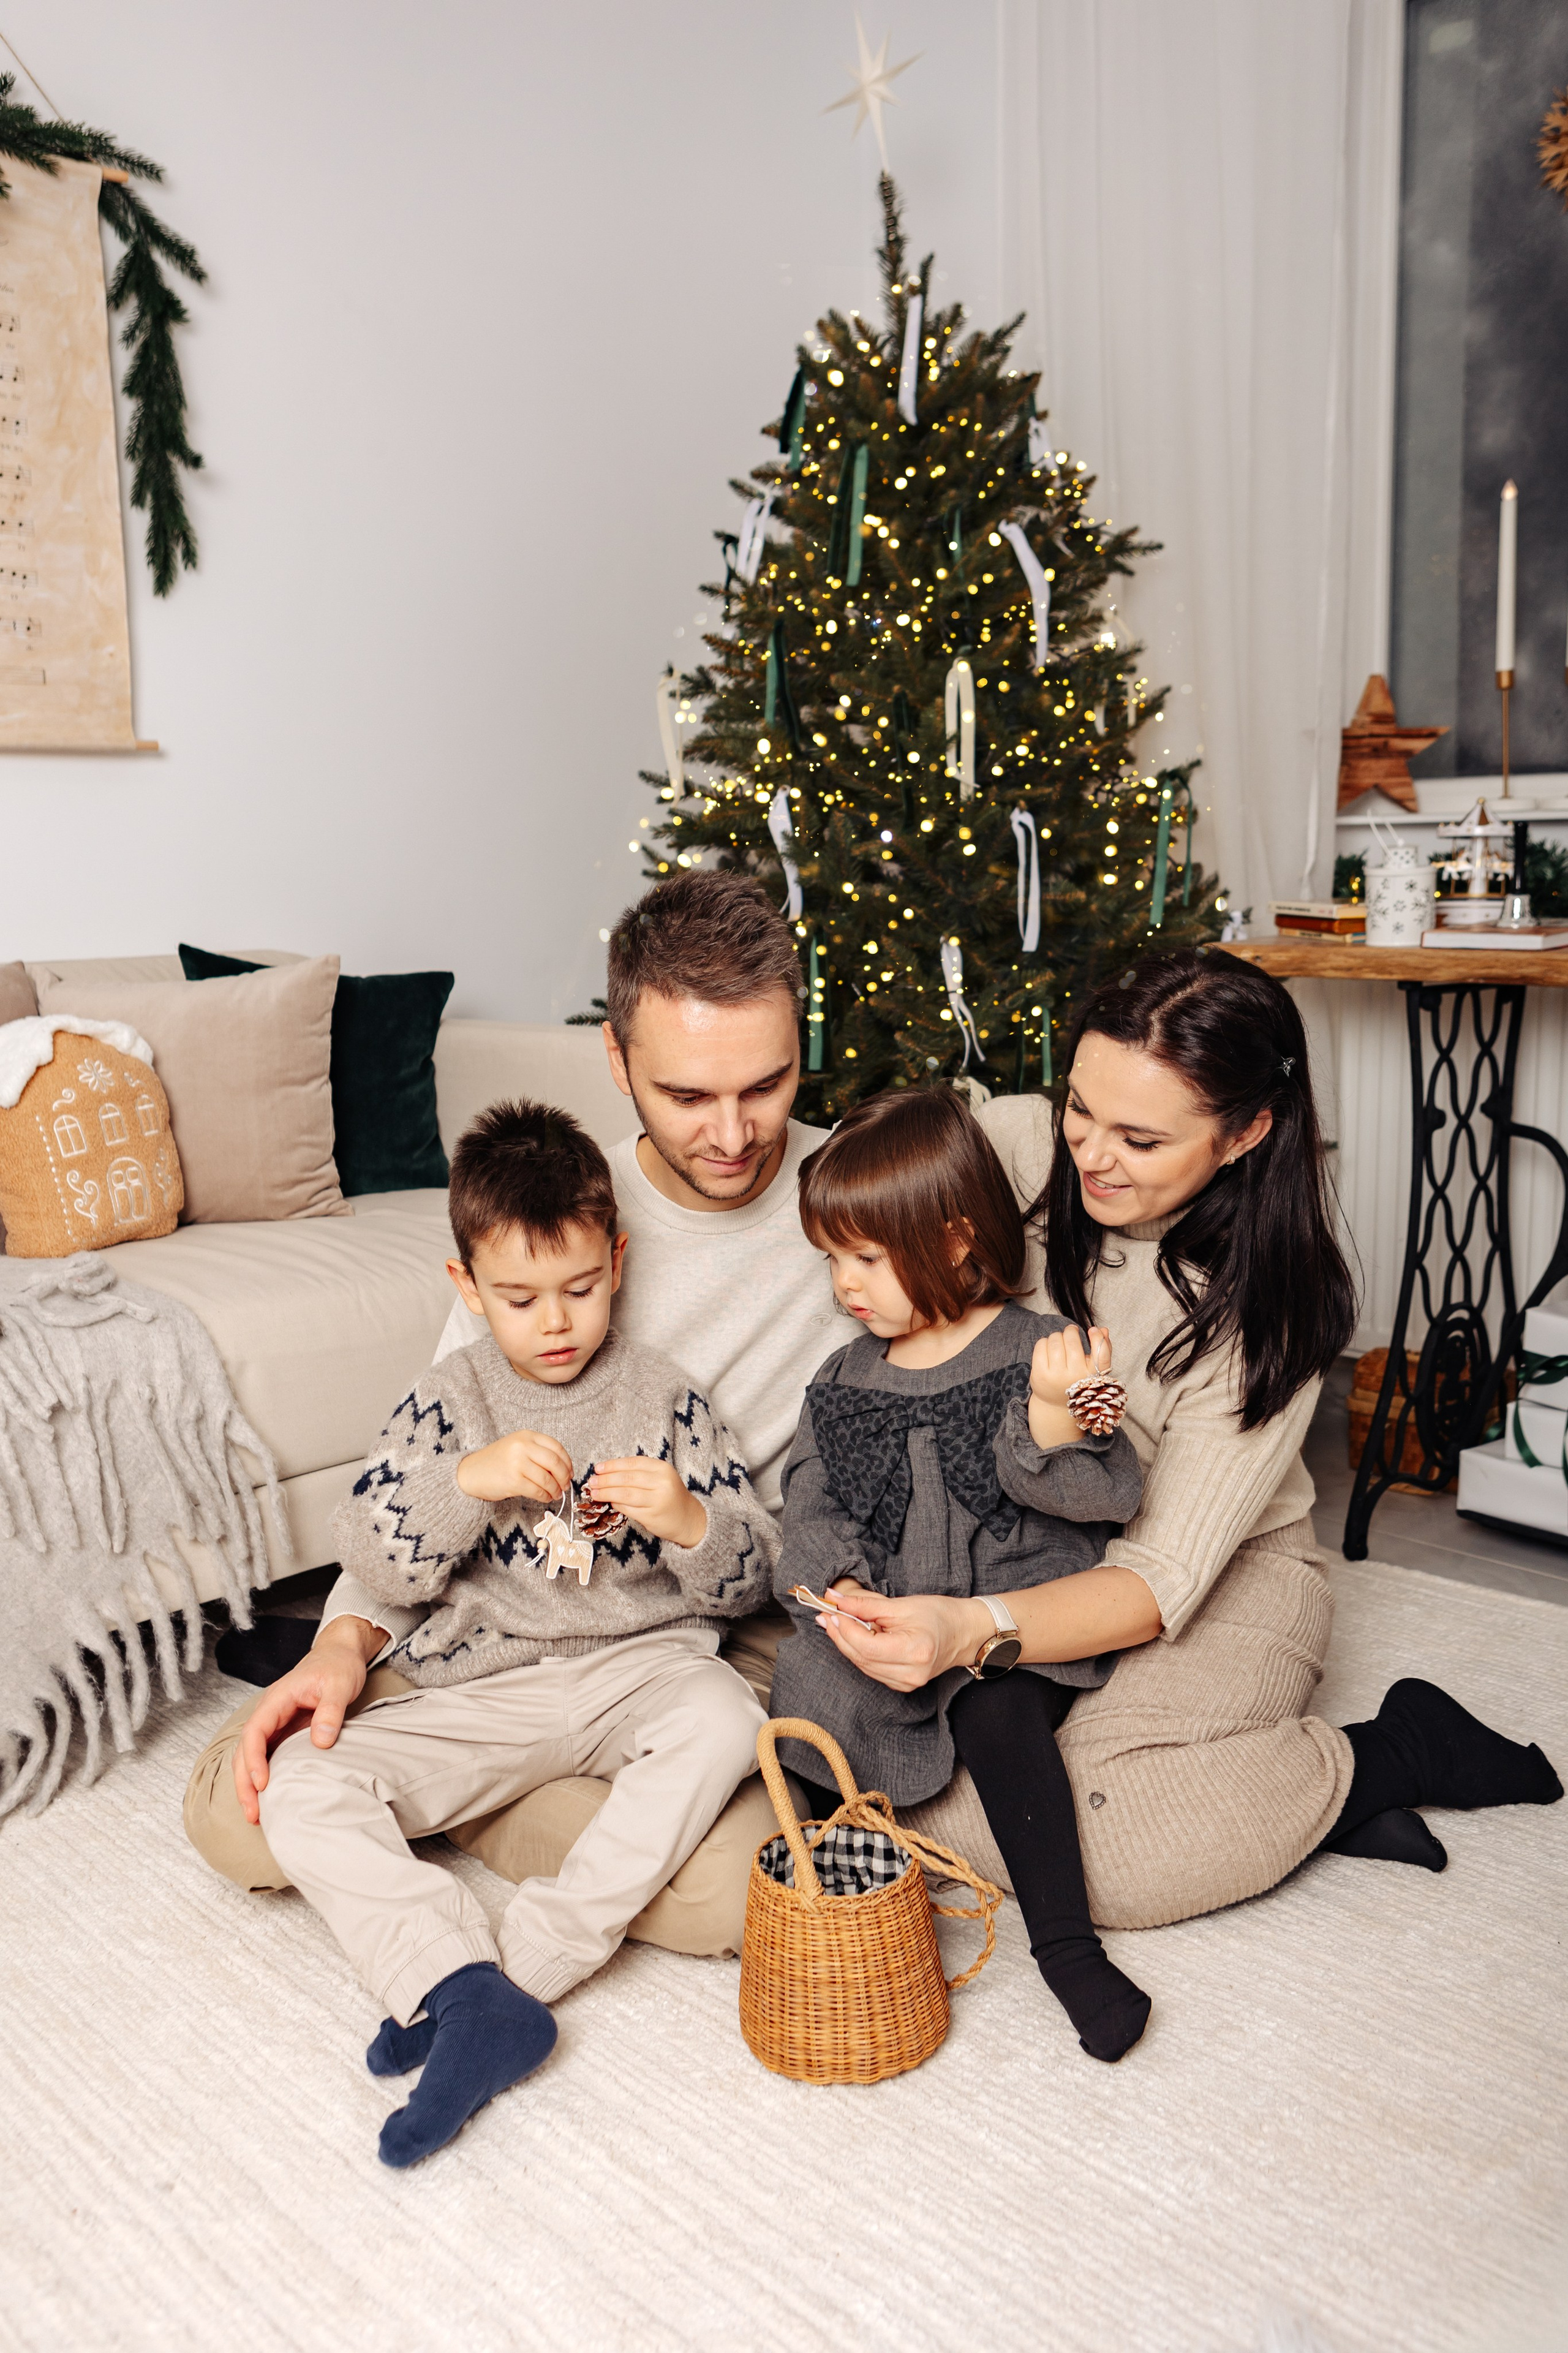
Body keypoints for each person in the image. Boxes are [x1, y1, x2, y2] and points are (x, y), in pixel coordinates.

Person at [804, 950, 1562, 1928]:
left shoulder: (1275, 1312)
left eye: (1142, 1138)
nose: (1089, 1154)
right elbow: (856, 1200)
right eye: (1079, 1107)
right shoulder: (1010, 1143)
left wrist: (969, 1628)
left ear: (1246, 1131)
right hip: (1024, 1531)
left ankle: (1390, 1754)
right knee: (898, 1755)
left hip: (1218, 1569)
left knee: (1102, 1857)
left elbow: (1157, 1579)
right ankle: (1305, 1809)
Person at [184, 870, 837, 1942]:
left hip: (674, 1631)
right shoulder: (548, 1214)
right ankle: (493, 1786)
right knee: (239, 1807)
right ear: (618, 1062)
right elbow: (438, 1456)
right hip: (499, 1619)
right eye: (687, 1096)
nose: (733, 1132)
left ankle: (455, 1798)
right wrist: (345, 1639)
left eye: (765, 1084)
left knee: (747, 1891)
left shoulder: (859, 1199)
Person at [253, 1100, 776, 2167]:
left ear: (618, 1262)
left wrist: (687, 1518)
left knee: (728, 1714)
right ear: (466, 1288)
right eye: (520, 1297)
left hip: (644, 1670)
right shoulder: (451, 1399)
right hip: (483, 1688)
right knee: (301, 1787)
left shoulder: (666, 1396)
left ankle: (519, 1971)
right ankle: (454, 1982)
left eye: (581, 1289)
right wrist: (463, 1484)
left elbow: (749, 1580)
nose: (555, 1322)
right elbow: (374, 1549)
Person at [772, 1090, 1152, 2061]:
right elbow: (811, 1505)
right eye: (832, 1259)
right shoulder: (842, 1379)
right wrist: (843, 1593)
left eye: (865, 1256)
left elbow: (1110, 1496)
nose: (844, 1283)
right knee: (806, 1682)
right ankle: (849, 1896)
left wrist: (1050, 1429)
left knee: (996, 1708)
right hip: (895, 1617)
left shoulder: (1037, 1348)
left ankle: (1068, 1948)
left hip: (1000, 1627)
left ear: (950, 1240)